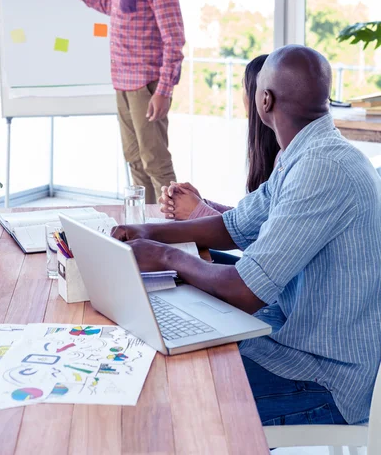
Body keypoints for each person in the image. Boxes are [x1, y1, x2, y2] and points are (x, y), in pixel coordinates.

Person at [112, 44, 381, 427]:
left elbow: (245, 291)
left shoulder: (322, 169)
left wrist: (165, 255)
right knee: (173, 339)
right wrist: (147, 230)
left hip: (323, 377)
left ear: (265, 100)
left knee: (172, 390)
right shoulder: (307, 153)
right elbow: (234, 226)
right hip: (292, 336)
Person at [65, 0, 185, 204]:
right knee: (135, 162)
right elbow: (120, 10)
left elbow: (174, 37)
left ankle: (178, 235)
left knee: (156, 162)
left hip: (146, 87)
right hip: (123, 83)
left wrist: (164, 90)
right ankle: (147, 234)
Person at [159, 54, 280, 220]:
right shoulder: (274, 150)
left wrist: (196, 211)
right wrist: (201, 204)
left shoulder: (285, 159)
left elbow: (260, 238)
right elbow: (248, 223)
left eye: (243, 87)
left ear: (264, 98)